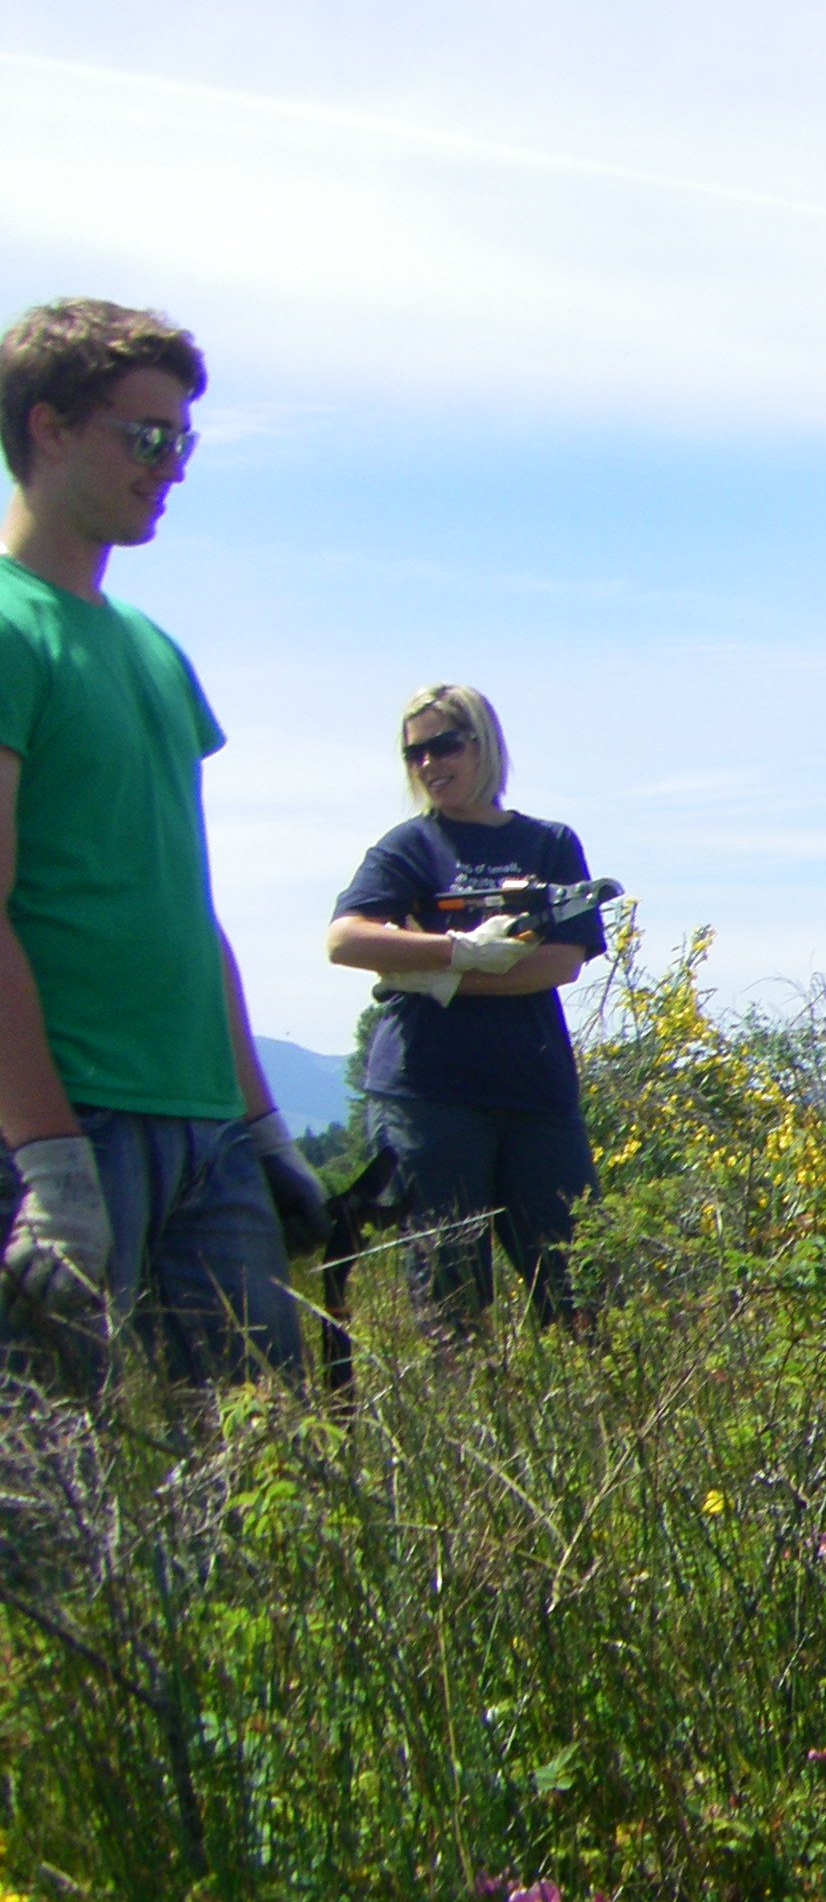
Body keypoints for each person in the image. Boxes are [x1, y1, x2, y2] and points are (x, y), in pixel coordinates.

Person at [0, 298, 323, 1381]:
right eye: (147, 437)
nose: (171, 465)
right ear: (49, 429)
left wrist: (266, 1130)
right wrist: (49, 1162)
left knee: (259, 1471)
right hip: (69, 1119)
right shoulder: (5, 628)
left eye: (183, 440)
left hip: (207, 1131)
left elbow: (191, 911)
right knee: (44, 1487)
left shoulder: (155, 651)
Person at [323, 685, 604, 1329]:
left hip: (535, 1093)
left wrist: (425, 974)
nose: (429, 764)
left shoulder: (552, 843)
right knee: (450, 1294)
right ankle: (467, 1425)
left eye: (444, 745)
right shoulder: (407, 847)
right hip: (428, 1094)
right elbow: (343, 939)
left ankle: (595, 1424)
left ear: (485, 744)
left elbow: (561, 962)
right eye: (413, 753)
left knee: (579, 1286)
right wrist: (457, 953)